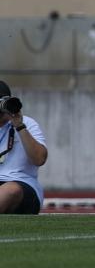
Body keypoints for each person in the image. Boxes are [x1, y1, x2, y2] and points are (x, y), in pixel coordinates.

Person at [0, 81, 48, 215]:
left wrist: (19, 127)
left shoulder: (27, 123)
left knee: (10, 190)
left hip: (21, 186)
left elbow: (39, 159)